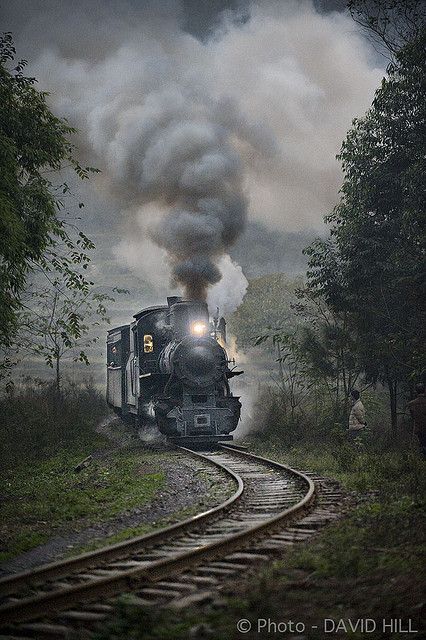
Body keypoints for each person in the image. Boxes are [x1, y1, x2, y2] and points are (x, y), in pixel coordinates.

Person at [408, 383, 426, 456]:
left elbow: (413, 417)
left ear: (416, 391)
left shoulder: (411, 404)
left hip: (418, 429)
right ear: (424, 391)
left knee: (421, 446)